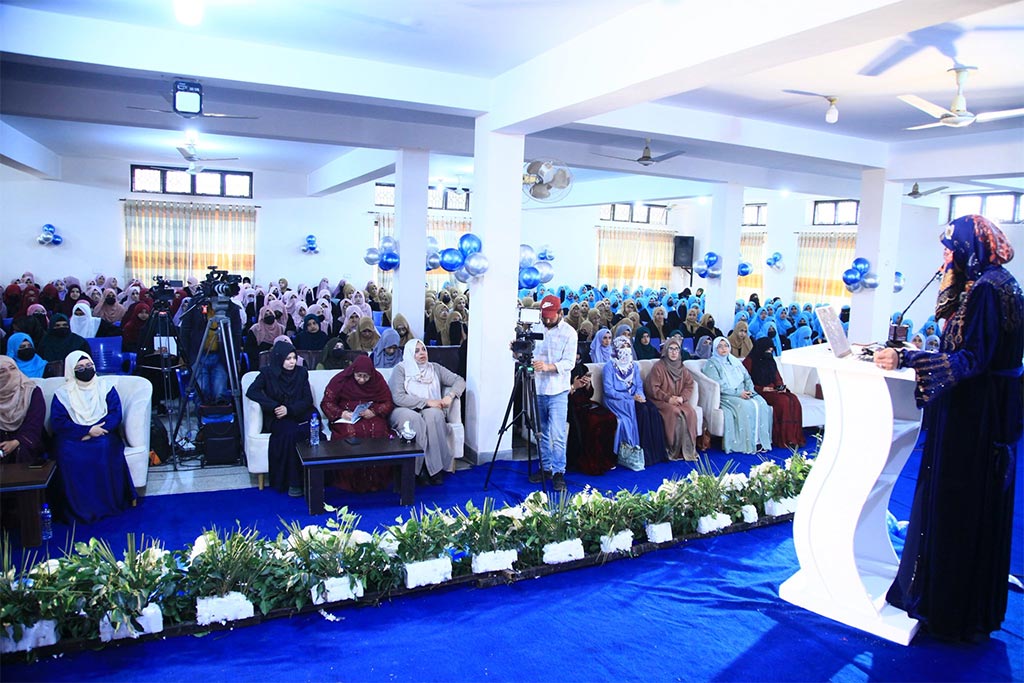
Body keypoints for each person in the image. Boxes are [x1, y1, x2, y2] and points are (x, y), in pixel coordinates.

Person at [873, 214, 1022, 643]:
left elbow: (970, 360)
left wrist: (909, 360)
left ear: (968, 250)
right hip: (987, 409)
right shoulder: (998, 282)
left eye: (949, 249)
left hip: (972, 417)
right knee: (978, 507)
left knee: (958, 504)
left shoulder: (987, 291)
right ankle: (970, 606)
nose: (944, 257)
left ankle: (948, 609)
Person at [50, 352, 136, 522]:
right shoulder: (62, 393)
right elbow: (58, 422)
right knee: (65, 451)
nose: (86, 370)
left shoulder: (106, 387)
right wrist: (87, 431)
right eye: (80, 367)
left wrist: (98, 430)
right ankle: (78, 508)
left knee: (104, 446)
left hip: (103, 433)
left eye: (89, 366)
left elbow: (115, 414)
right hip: (74, 437)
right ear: (71, 370)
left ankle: (106, 504)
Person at [388, 339, 466, 485]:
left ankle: (434, 468)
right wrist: (426, 402)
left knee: (435, 415)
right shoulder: (401, 369)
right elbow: (398, 397)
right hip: (404, 408)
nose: (421, 353)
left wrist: (450, 396)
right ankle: (416, 469)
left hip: (431, 408)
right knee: (414, 420)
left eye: (423, 349)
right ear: (410, 354)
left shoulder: (434, 368)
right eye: (416, 351)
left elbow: (459, 380)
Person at [245, 341, 315, 496]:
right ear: (278, 358)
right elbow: (252, 392)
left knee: (310, 431)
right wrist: (274, 406)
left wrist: (289, 409)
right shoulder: (267, 373)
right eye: (288, 358)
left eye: (294, 358)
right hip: (278, 417)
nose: (292, 362)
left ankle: (313, 479)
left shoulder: (302, 372)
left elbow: (307, 399)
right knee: (289, 434)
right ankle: (293, 482)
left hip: (298, 412)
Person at [523, 295, 577, 492]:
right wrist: (518, 351)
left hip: (558, 390)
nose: (547, 320)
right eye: (544, 317)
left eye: (551, 317)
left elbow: (569, 363)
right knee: (541, 432)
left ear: (560, 313)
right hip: (538, 388)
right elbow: (527, 356)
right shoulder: (536, 328)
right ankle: (545, 468)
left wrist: (547, 366)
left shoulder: (570, 333)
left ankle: (559, 472)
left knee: (558, 434)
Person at [320, 355, 396, 491]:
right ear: (353, 371)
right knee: (352, 433)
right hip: (347, 416)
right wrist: (341, 413)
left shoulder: (377, 380)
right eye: (358, 376)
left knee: (377, 431)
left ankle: (375, 481)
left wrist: (374, 411)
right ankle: (352, 482)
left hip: (370, 415)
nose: (361, 380)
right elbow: (327, 402)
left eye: (365, 377)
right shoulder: (341, 379)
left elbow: (388, 402)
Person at [602, 335, 667, 468]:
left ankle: (657, 453)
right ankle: (643, 453)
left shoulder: (634, 366)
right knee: (642, 411)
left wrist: (640, 397)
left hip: (634, 397)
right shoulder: (609, 367)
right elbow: (609, 391)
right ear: (616, 349)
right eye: (622, 347)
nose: (625, 350)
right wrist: (631, 398)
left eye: (627, 346)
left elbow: (638, 385)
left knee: (652, 409)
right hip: (617, 401)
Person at [701, 337, 773, 454]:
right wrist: (738, 393)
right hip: (727, 395)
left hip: (744, 391)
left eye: (726, 346)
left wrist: (750, 391)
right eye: (720, 346)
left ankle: (762, 441)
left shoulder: (734, 361)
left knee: (762, 403)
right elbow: (719, 385)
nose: (723, 349)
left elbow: (747, 378)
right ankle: (750, 443)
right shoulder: (711, 364)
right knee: (746, 407)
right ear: (715, 348)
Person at [179, 296, 243, 405]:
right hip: (198, 354)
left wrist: (235, 358)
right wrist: (183, 354)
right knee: (202, 391)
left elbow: (236, 335)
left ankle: (218, 419)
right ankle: (202, 419)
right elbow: (185, 330)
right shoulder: (197, 304)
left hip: (221, 355)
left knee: (219, 392)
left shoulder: (230, 307)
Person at [743, 337, 805, 448]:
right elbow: (745, 382)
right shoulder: (749, 361)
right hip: (760, 392)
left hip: (773, 390)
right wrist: (761, 389)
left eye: (771, 351)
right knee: (783, 402)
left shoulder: (771, 361)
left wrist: (781, 388)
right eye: (767, 350)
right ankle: (784, 439)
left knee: (793, 399)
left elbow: (777, 378)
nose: (769, 353)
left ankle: (794, 437)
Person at [644, 338, 699, 461]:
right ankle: (674, 450)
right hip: (661, 401)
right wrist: (668, 398)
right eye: (671, 349)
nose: (674, 352)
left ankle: (688, 451)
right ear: (665, 350)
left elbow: (689, 385)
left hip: (678, 400)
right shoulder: (659, 367)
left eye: (676, 349)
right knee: (675, 413)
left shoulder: (682, 367)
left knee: (690, 412)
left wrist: (682, 397)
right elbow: (652, 388)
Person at [565, 362, 618, 476]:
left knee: (609, 417)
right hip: (570, 406)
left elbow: (589, 394)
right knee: (594, 421)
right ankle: (591, 461)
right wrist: (574, 386)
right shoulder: (563, 370)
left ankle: (605, 458)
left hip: (585, 404)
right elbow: (562, 395)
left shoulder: (582, 368)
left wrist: (587, 385)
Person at [0, 356, 47, 463]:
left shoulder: (32, 391)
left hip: (28, 437)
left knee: (22, 452)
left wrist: (16, 442)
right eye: (2, 371)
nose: (9, 374)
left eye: (12, 368)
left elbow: (35, 423)